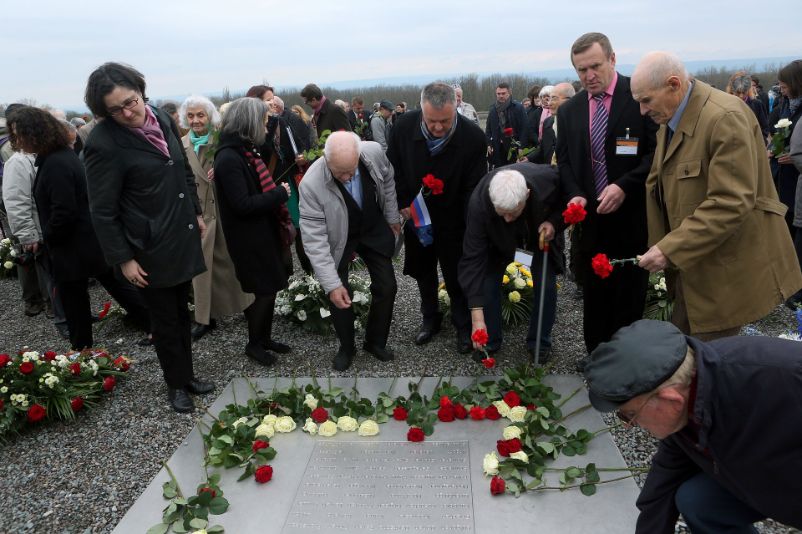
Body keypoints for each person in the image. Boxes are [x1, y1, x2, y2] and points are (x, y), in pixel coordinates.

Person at [633, 52, 802, 337]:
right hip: (693, 263)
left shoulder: (724, 118)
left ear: (674, 84)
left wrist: (669, 248)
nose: (642, 111)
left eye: (646, 100)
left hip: (722, 269)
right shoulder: (671, 118)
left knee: (712, 362)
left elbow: (730, 202)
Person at [584, 319, 802, 534]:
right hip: (761, 481)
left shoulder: (783, 380)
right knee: (698, 501)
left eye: (631, 415)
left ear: (671, 400)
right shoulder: (690, 391)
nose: (629, 426)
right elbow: (663, 485)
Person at [83, 62, 213, 413]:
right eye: (116, 109)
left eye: (132, 101)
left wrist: (196, 214)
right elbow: (102, 210)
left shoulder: (161, 116)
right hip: (147, 246)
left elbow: (183, 169)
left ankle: (187, 375)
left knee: (181, 312)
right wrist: (124, 258)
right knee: (165, 318)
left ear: (141, 91)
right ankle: (176, 385)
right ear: (103, 111)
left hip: (179, 231)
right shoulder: (102, 142)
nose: (128, 112)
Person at [9, 107, 150, 350]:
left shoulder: (55, 163)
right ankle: (152, 324)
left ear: (35, 133)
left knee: (76, 299)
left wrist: (48, 237)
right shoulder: (60, 156)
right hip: (83, 240)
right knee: (111, 286)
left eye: (19, 134)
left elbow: (64, 211)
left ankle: (82, 349)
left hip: (73, 244)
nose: (17, 141)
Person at [556, 32, 657, 356]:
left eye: (595, 66)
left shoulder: (638, 97)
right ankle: (596, 355)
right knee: (595, 294)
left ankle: (627, 360)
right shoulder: (569, 110)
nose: (589, 76)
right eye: (581, 70)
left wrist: (625, 185)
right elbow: (566, 162)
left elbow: (655, 154)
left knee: (629, 293)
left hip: (632, 218)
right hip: (592, 223)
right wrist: (576, 194)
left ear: (612, 59)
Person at [388, 82, 487, 353]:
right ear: (421, 110)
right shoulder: (402, 128)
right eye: (432, 121)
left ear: (456, 108)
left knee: (456, 275)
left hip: (455, 219)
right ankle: (430, 319)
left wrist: (469, 225)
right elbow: (393, 170)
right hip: (417, 216)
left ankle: (463, 325)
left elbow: (474, 188)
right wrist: (402, 203)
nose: (439, 128)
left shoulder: (473, 138)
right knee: (424, 272)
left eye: (445, 121)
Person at [299, 132, 400, 371]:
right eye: (339, 172)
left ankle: (375, 342)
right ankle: (347, 346)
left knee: (387, 285)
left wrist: (392, 215)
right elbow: (314, 240)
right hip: (339, 237)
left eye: (351, 171)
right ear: (326, 160)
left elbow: (387, 178)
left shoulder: (373, 152)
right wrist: (332, 285)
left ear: (359, 156)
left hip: (371, 225)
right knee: (338, 291)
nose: (346, 177)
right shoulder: (311, 184)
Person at [213, 97, 293, 367]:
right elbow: (242, 205)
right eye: (263, 120)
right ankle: (254, 344)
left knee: (271, 287)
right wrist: (280, 194)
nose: (266, 125)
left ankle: (265, 338)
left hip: (262, 231)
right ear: (249, 122)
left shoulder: (247, 150)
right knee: (264, 290)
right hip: (249, 238)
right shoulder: (229, 158)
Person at [459, 165, 564, 362]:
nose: (507, 219)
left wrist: (554, 222)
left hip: (535, 239)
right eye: (502, 213)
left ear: (527, 195)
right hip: (496, 244)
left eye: (512, 213)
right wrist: (477, 317)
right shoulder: (479, 204)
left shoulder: (548, 180)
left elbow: (568, 199)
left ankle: (540, 342)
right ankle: (490, 339)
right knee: (487, 283)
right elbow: (473, 259)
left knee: (547, 286)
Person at [178, 95, 254, 341]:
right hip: (199, 215)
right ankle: (204, 318)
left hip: (223, 211)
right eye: (191, 116)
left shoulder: (222, 142)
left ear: (210, 117)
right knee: (201, 270)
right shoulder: (180, 145)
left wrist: (221, 167)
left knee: (233, 262)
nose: (196, 120)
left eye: (201, 115)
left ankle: (249, 305)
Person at [772, 60, 802, 234]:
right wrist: (774, 148)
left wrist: (797, 156)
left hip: (797, 180)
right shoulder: (786, 104)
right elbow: (781, 130)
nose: (781, 91)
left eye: (785, 87)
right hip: (783, 179)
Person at [525, 83, 575, 165]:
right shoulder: (548, 122)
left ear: (568, 100)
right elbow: (543, 149)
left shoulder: (578, 123)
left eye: (554, 99)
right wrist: (528, 158)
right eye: (549, 99)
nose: (549, 103)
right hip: (550, 171)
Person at [485, 82, 527, 169]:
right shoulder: (493, 109)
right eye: (498, 94)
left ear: (509, 93)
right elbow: (488, 128)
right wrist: (488, 143)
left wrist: (521, 147)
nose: (500, 96)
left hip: (513, 148)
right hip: (497, 148)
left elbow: (524, 128)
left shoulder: (518, 108)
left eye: (503, 93)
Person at [726, 72, 769, 139]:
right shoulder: (727, 106)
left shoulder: (757, 104)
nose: (741, 96)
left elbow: (765, 127)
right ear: (733, 90)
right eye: (738, 92)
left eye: (744, 92)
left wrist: (762, 142)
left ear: (748, 90)